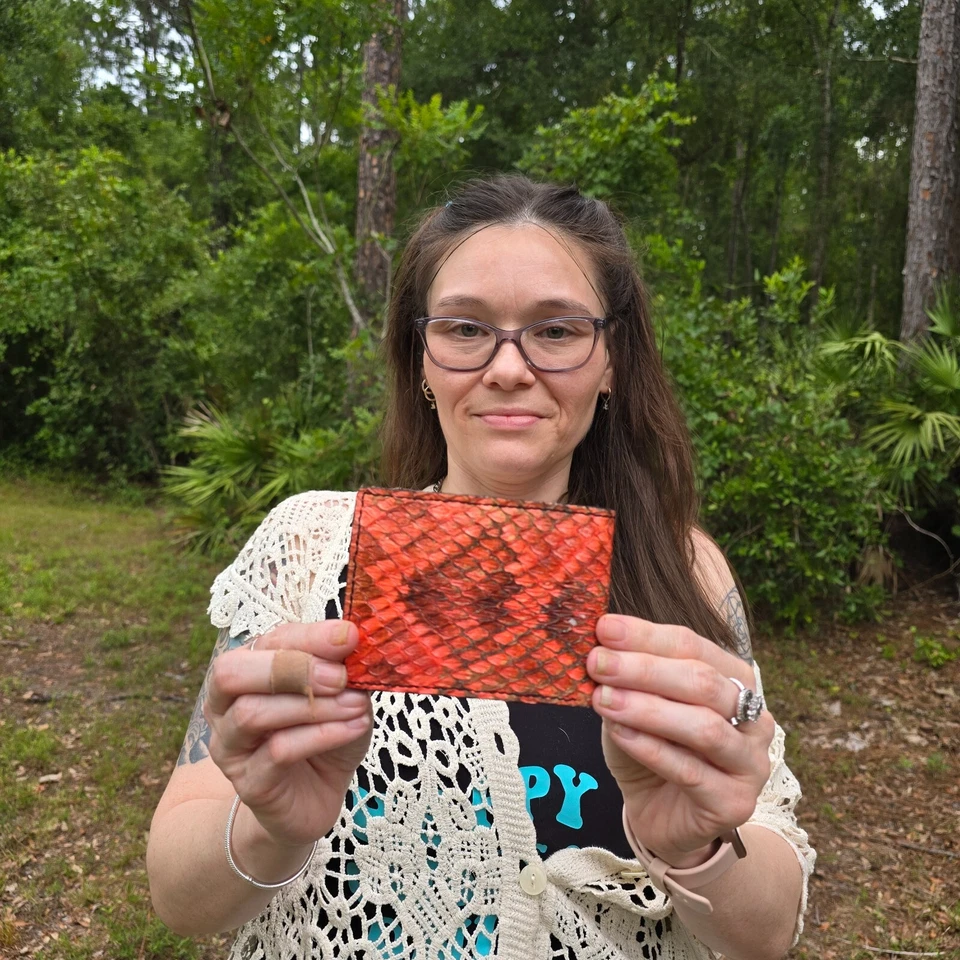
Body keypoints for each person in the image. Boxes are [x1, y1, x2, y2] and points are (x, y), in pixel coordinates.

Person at [147, 175, 814, 960]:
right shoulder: (311, 547)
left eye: (556, 331)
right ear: (420, 360)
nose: (507, 368)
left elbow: (768, 931)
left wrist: (698, 848)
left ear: (612, 362)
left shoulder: (688, 570)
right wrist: (266, 826)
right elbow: (177, 899)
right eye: (466, 328)